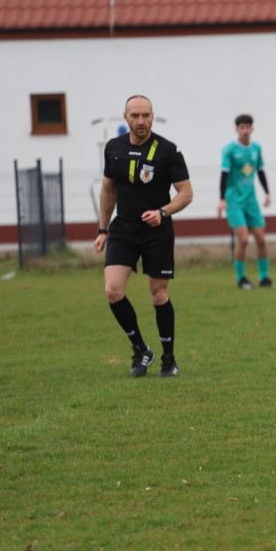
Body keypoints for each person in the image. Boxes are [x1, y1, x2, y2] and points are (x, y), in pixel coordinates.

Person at [94, 95, 193, 378]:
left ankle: (169, 360)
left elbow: (186, 194)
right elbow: (108, 190)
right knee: (113, 290)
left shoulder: (168, 151)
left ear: (152, 116)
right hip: (123, 229)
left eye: (146, 115)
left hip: (157, 232)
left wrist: (163, 212)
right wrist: (103, 229)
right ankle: (141, 350)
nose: (141, 121)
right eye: (135, 115)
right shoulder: (113, 148)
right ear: (125, 117)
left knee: (158, 294)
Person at [218, 114, 273, 290]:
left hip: (251, 201)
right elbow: (224, 174)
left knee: (261, 239)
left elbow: (260, 171)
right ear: (237, 130)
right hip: (234, 201)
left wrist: (267, 193)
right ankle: (241, 278)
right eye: (242, 127)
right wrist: (221, 199)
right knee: (243, 239)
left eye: (248, 127)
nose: (245, 131)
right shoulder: (229, 150)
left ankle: (264, 278)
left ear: (252, 129)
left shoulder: (256, 149)